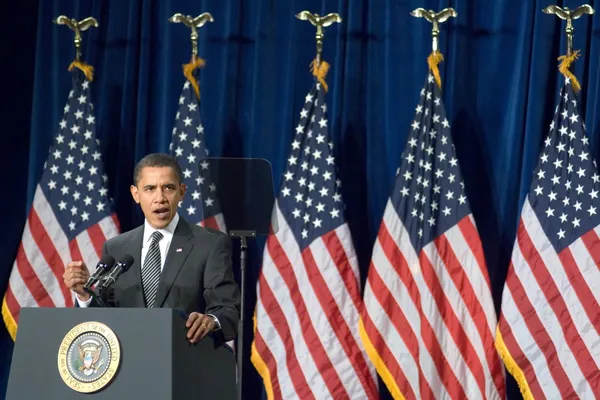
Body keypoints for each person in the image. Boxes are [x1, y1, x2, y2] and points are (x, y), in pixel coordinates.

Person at [63, 153, 241, 346]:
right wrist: (84, 294)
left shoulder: (209, 244)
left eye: (169, 188)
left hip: (184, 362)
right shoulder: (115, 248)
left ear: (182, 192)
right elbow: (103, 320)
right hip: (127, 364)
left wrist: (211, 321)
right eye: (150, 189)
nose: (160, 198)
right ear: (135, 194)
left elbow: (228, 309)